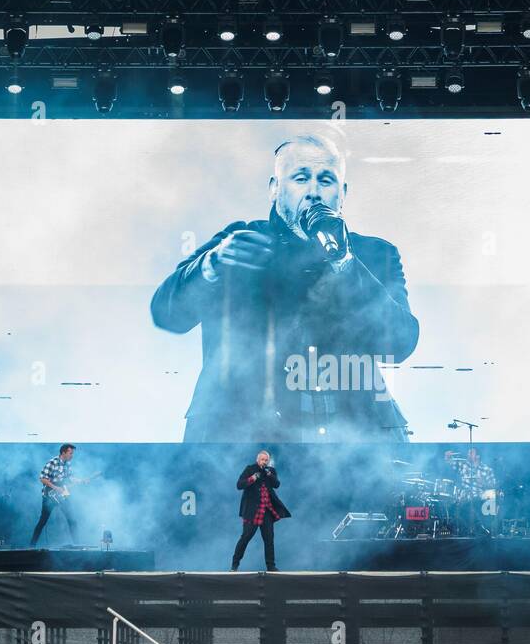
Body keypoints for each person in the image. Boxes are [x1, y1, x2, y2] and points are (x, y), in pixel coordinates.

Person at [150, 133, 420, 443]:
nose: (314, 192)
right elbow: (167, 314)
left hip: (355, 440)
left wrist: (344, 261)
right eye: (301, 178)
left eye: (326, 180)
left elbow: (400, 343)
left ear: (342, 193)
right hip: (241, 438)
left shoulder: (374, 254)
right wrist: (211, 266)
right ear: (274, 188)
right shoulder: (239, 241)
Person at [232, 449, 290, 571]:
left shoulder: (270, 471)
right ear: (258, 460)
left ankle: (271, 566)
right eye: (262, 459)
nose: (264, 462)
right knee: (246, 537)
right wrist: (252, 478)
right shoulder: (250, 469)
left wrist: (269, 474)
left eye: (266, 460)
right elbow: (239, 485)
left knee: (269, 539)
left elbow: (276, 484)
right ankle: (235, 564)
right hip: (253, 511)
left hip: (267, 511)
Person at [30, 443, 78, 547]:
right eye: (70, 453)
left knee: (72, 520)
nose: (72, 456)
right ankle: (31, 545)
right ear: (63, 452)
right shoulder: (52, 462)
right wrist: (56, 488)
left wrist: (81, 480)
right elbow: (42, 478)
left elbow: (71, 478)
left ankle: (77, 545)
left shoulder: (67, 464)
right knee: (42, 521)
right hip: (50, 495)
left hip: (62, 495)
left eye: (72, 453)